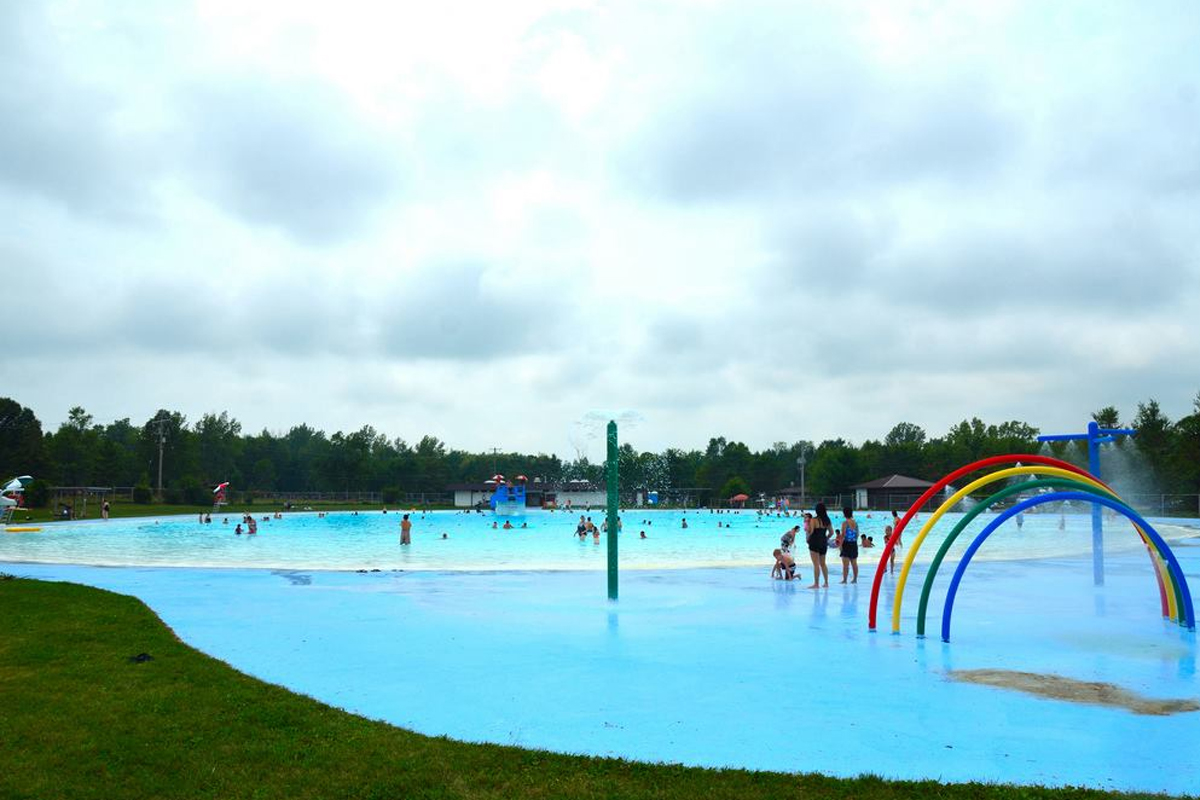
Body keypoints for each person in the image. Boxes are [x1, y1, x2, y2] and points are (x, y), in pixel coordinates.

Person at [805, 507, 830, 588]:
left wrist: (807, 528)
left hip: (814, 542)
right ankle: (826, 583)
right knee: (823, 564)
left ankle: (816, 584)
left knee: (816, 564)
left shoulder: (813, 520)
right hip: (823, 543)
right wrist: (825, 538)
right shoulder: (827, 520)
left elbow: (811, 531)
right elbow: (831, 532)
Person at [836, 506, 859, 584]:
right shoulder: (855, 523)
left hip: (846, 544)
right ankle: (855, 579)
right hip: (854, 543)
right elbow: (857, 534)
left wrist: (840, 546)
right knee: (854, 563)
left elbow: (843, 535)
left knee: (845, 564)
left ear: (844, 514)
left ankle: (845, 580)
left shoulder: (845, 523)